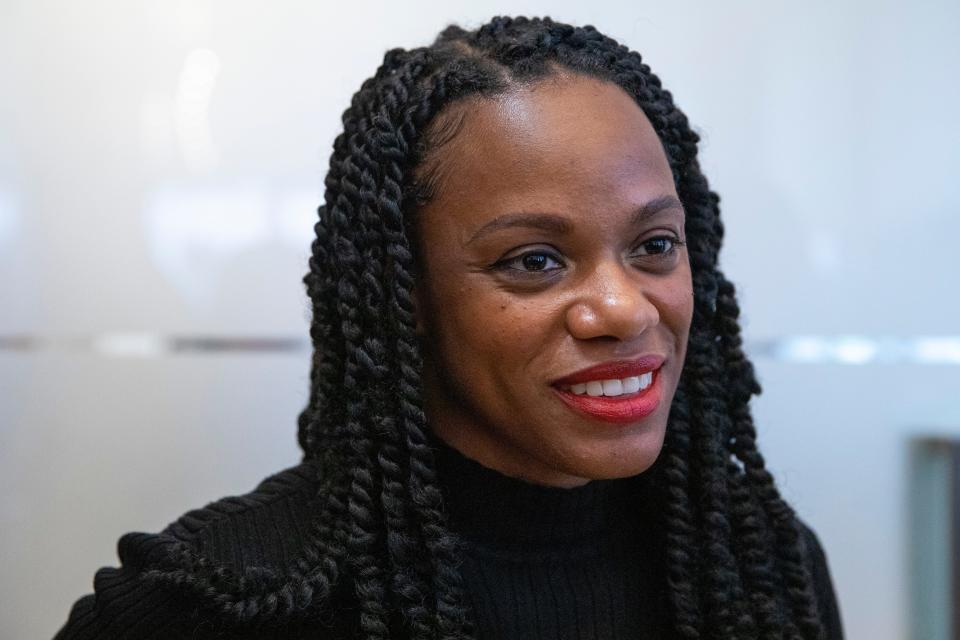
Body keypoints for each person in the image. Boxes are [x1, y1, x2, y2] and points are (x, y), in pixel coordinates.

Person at [55, 15, 843, 640]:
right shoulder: (209, 606)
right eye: (535, 260)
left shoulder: (760, 570)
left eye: (654, 246)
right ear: (410, 295)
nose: (627, 308)